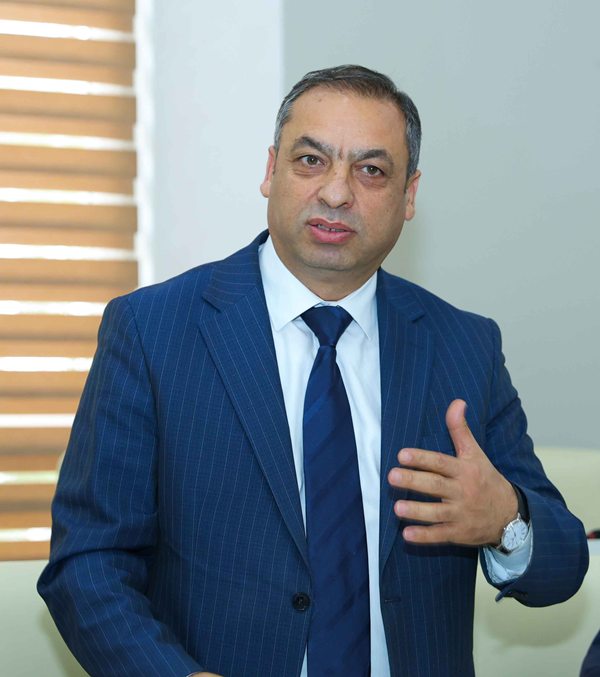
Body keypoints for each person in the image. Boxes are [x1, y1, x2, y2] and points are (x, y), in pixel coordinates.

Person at [38, 65, 588, 677]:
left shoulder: (465, 345)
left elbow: (562, 570)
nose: (336, 193)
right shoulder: (153, 331)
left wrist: (507, 519)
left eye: (371, 170)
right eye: (310, 161)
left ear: (409, 196)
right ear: (271, 170)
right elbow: (87, 565)